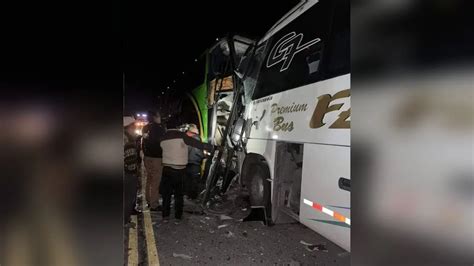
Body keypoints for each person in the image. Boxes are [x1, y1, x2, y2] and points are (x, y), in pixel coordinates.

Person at [159, 128, 213, 222]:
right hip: (179, 170)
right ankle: (178, 217)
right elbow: (198, 144)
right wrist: (213, 147)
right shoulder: (182, 136)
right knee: (178, 195)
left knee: (166, 195)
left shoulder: (163, 138)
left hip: (166, 169)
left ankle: (165, 216)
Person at [142, 110, 166, 211]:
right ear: (156, 117)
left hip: (147, 157)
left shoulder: (145, 127)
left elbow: (143, 142)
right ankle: (154, 204)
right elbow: (162, 143)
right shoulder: (159, 128)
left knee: (149, 180)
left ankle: (148, 200)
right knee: (156, 181)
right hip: (157, 157)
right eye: (160, 116)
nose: (161, 118)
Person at [124, 117, 139, 223]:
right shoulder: (128, 139)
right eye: (134, 126)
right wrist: (134, 173)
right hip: (127, 174)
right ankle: (125, 220)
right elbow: (131, 161)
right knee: (128, 198)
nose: (135, 128)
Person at [185, 124, 204, 200]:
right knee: (194, 180)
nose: (198, 130)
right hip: (194, 162)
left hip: (186, 162)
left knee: (188, 180)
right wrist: (203, 156)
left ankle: (188, 195)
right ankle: (193, 197)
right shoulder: (196, 137)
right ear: (194, 129)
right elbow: (197, 151)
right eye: (197, 129)